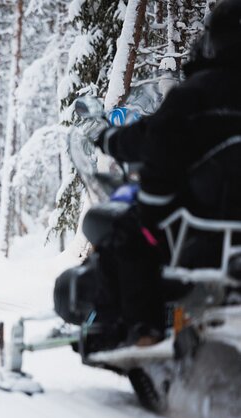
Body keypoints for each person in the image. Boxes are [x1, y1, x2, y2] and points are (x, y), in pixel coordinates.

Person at [93, 0, 241, 345]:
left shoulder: (196, 92)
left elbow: (157, 140)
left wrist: (111, 141)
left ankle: (142, 328)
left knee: (127, 232)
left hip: (201, 222)